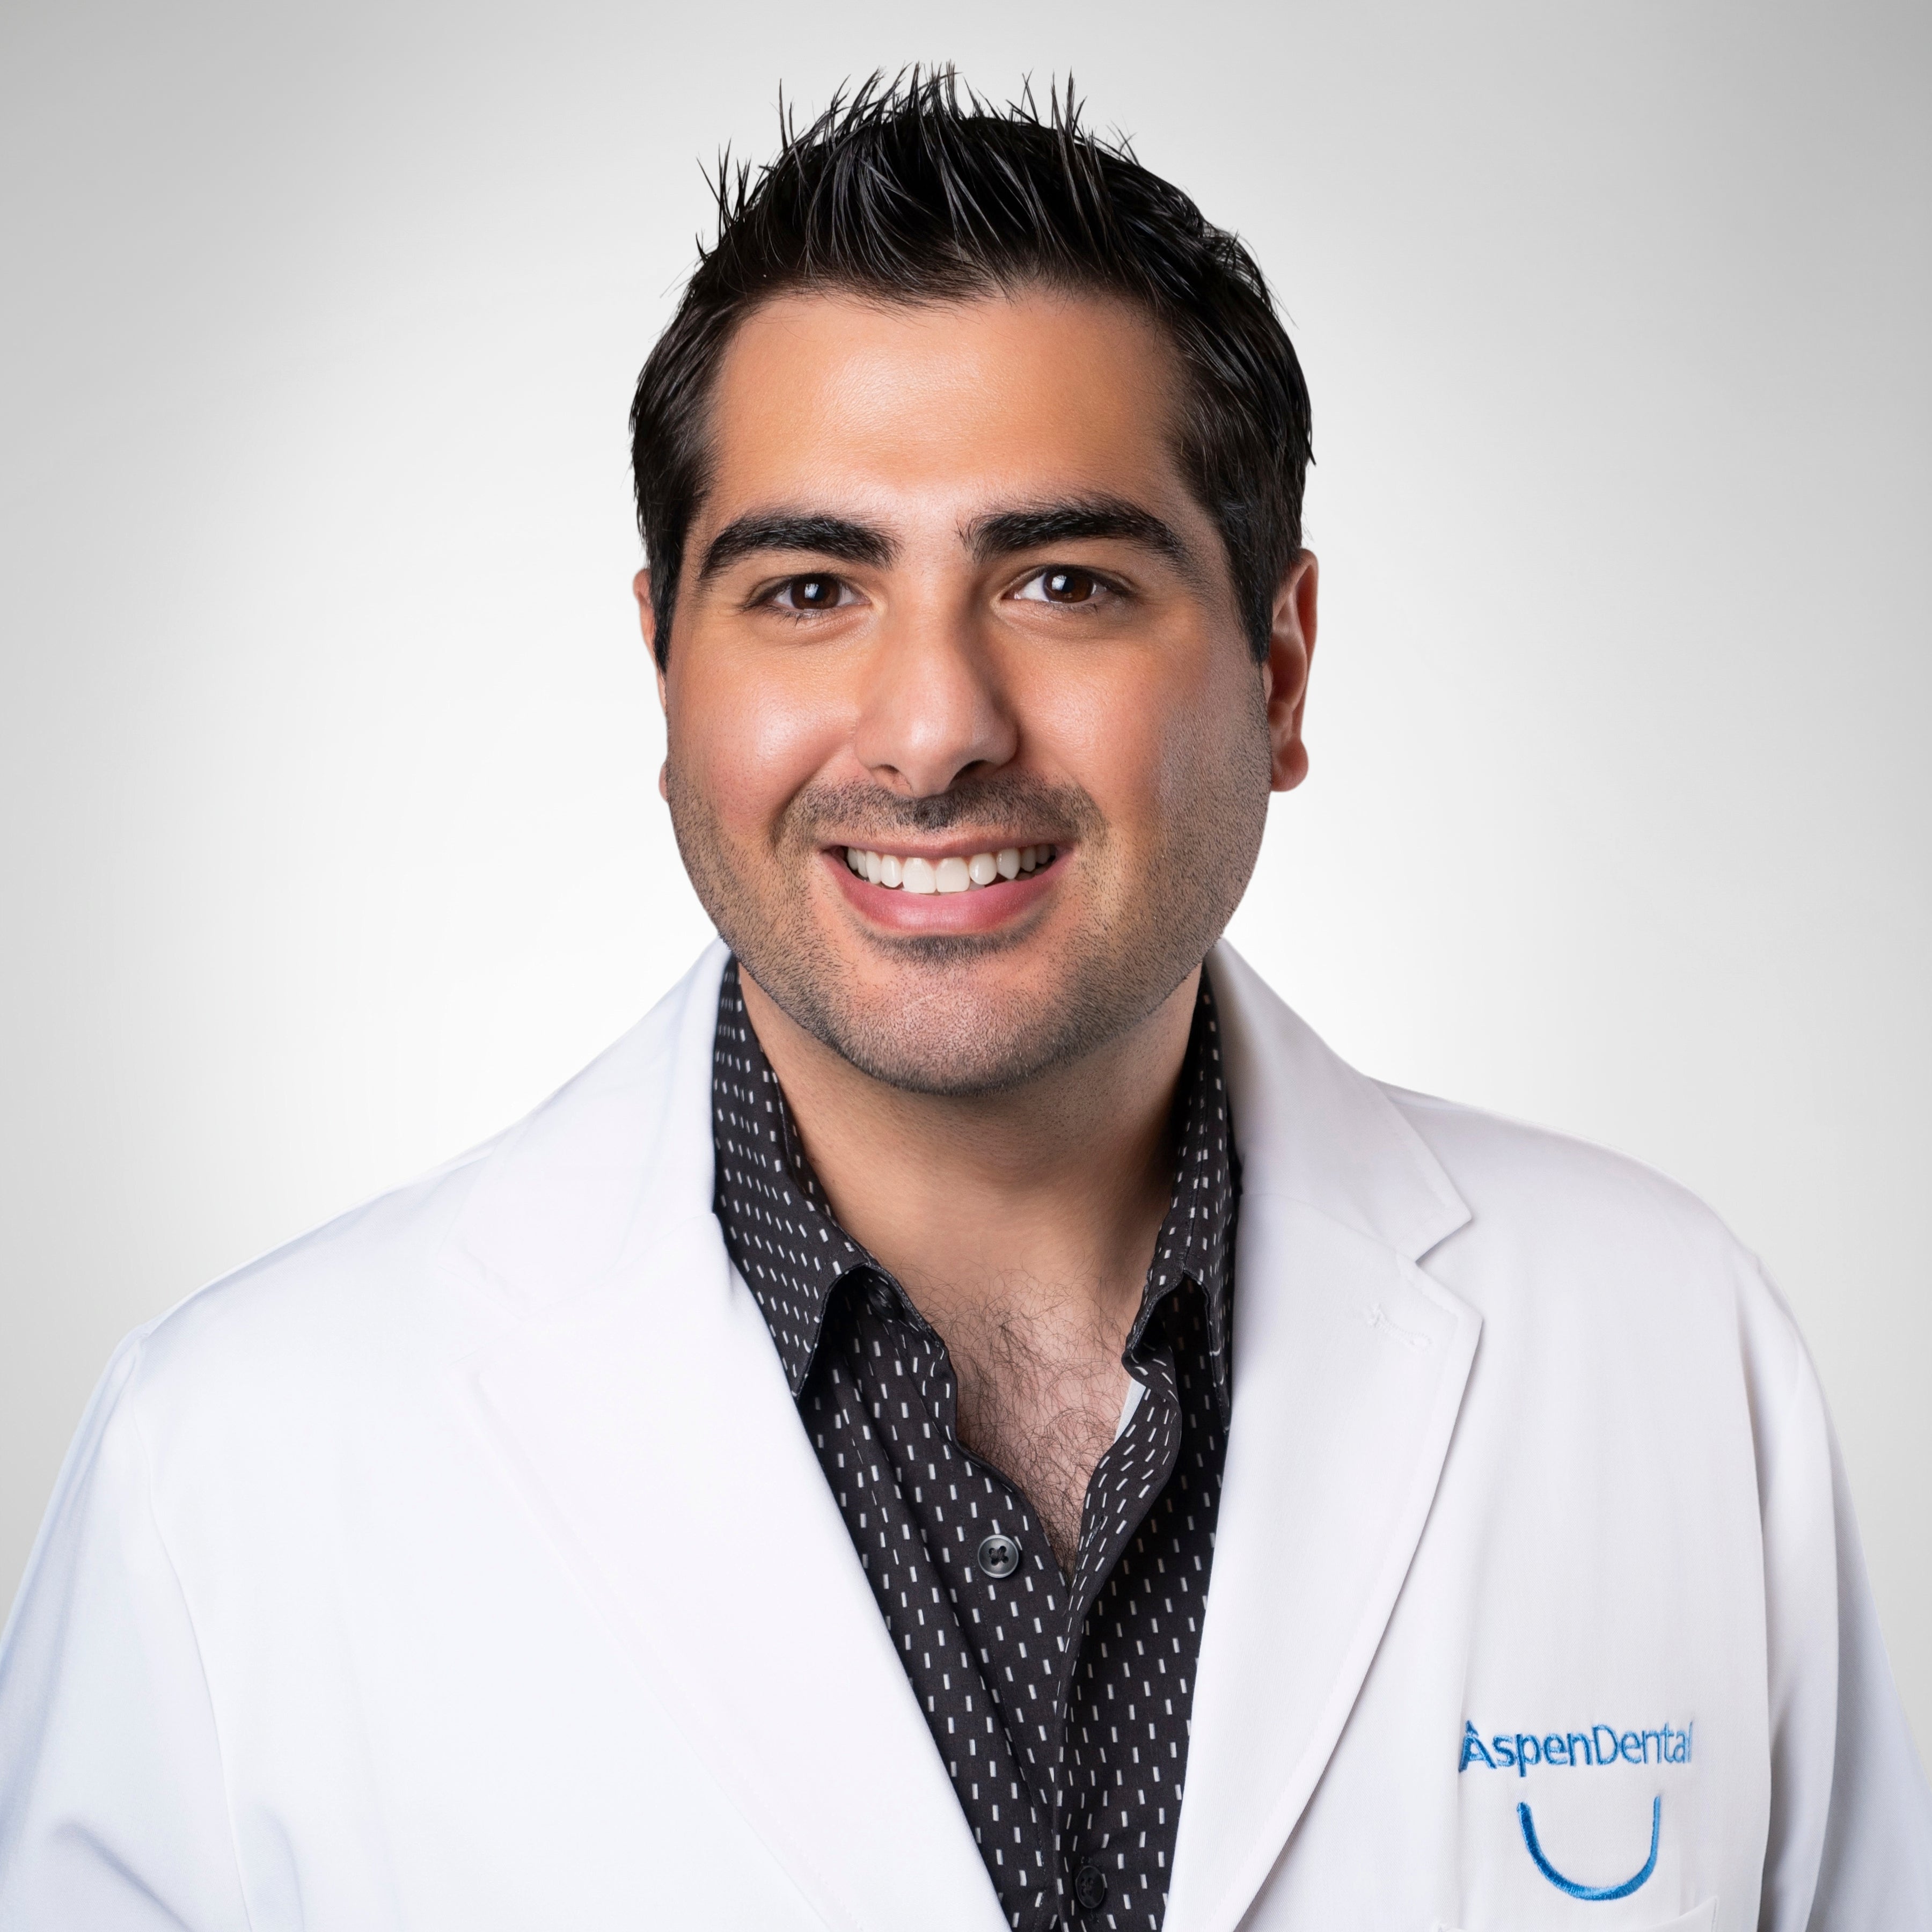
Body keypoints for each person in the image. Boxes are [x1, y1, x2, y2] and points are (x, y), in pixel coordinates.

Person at [1, 70, 1927, 1932]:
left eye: (1064, 582)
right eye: (809, 590)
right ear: (665, 672)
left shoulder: (1667, 1359)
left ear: (1278, 669)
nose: (933, 732)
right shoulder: (233, 1478)